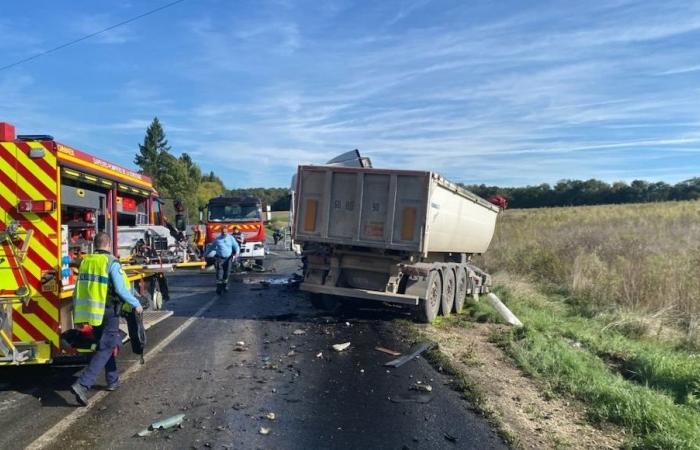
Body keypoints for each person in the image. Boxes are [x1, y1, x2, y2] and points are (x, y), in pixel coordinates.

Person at [70, 232, 143, 407]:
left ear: (95, 245)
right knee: (107, 345)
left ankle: (112, 379)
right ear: (109, 245)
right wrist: (135, 303)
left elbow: (78, 288)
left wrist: (77, 313)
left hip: (92, 312)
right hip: (109, 310)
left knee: (105, 344)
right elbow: (120, 289)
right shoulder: (111, 262)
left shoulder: (86, 261)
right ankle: (82, 384)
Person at [207, 227, 240, 295]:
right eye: (223, 232)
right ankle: (219, 288)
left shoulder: (230, 238)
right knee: (219, 273)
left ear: (227, 232)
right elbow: (211, 248)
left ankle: (224, 286)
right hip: (219, 258)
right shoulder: (217, 239)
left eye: (225, 232)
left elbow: (236, 246)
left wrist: (237, 252)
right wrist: (204, 255)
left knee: (227, 273)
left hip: (228, 258)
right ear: (221, 232)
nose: (224, 233)